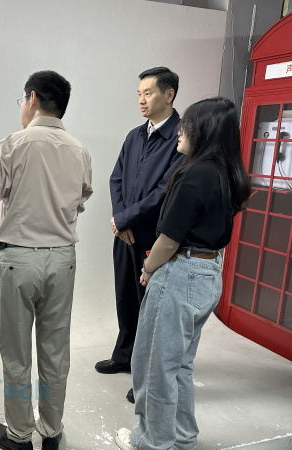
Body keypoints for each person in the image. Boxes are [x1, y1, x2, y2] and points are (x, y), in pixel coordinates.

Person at [0, 71, 92, 450]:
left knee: (17, 355)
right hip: (63, 260)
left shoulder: (13, 144)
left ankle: (20, 436)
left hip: (19, 261)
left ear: (32, 98)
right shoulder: (79, 150)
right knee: (55, 352)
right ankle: (51, 433)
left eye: (22, 100)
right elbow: (80, 200)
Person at [115, 97, 251, 450]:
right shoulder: (227, 173)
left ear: (203, 131)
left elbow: (168, 241)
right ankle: (183, 439)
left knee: (155, 367)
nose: (179, 131)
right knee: (179, 366)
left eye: (186, 125)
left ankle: (151, 442)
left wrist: (148, 269)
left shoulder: (192, 175)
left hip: (180, 274)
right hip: (209, 273)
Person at [98, 67, 184, 404]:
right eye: (139, 94)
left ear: (169, 95)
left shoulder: (181, 137)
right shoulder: (135, 135)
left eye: (148, 93)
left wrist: (126, 219)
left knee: (153, 309)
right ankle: (124, 355)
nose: (141, 100)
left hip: (154, 239)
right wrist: (121, 221)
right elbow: (116, 178)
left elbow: (166, 190)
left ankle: (148, 375)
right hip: (125, 234)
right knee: (125, 296)